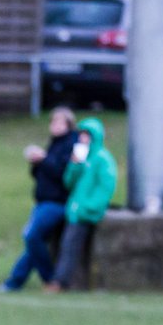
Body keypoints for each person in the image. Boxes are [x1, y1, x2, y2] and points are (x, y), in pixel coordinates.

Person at [0, 106, 79, 293]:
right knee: (34, 243)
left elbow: (63, 174)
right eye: (53, 121)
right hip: (43, 202)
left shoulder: (71, 144)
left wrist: (43, 159)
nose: (55, 125)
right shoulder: (54, 143)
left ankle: (49, 278)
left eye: (59, 122)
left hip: (57, 202)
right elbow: (41, 174)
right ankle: (14, 282)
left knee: (31, 236)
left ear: (68, 124)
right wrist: (36, 163)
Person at [45, 116, 116, 293]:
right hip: (75, 211)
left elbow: (106, 186)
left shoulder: (102, 159)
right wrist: (75, 166)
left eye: (87, 136)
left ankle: (60, 282)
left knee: (70, 245)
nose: (83, 139)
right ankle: (65, 281)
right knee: (66, 245)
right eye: (81, 135)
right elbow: (69, 182)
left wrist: (89, 207)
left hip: (86, 212)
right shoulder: (81, 158)